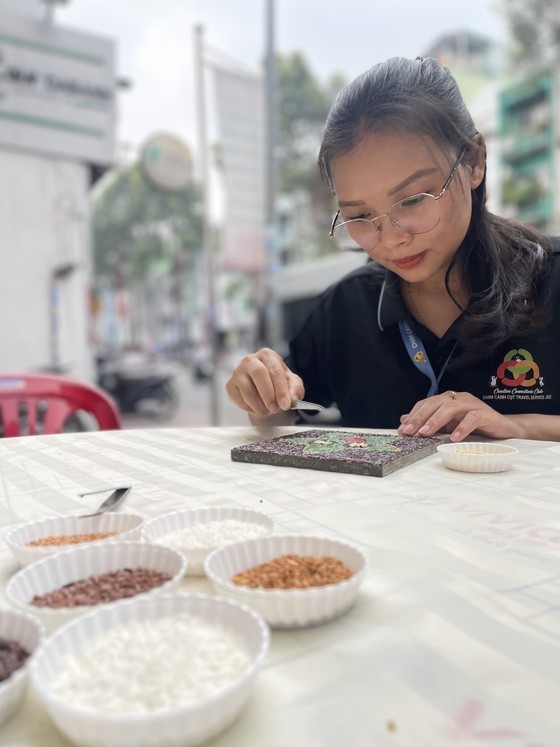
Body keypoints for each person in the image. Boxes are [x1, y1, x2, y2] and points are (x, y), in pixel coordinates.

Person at [226, 56, 560, 442]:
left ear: (474, 162)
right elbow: (281, 417)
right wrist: (261, 394)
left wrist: (518, 426)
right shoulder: (345, 310)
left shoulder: (550, 281)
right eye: (360, 215)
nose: (390, 238)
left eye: (413, 199)